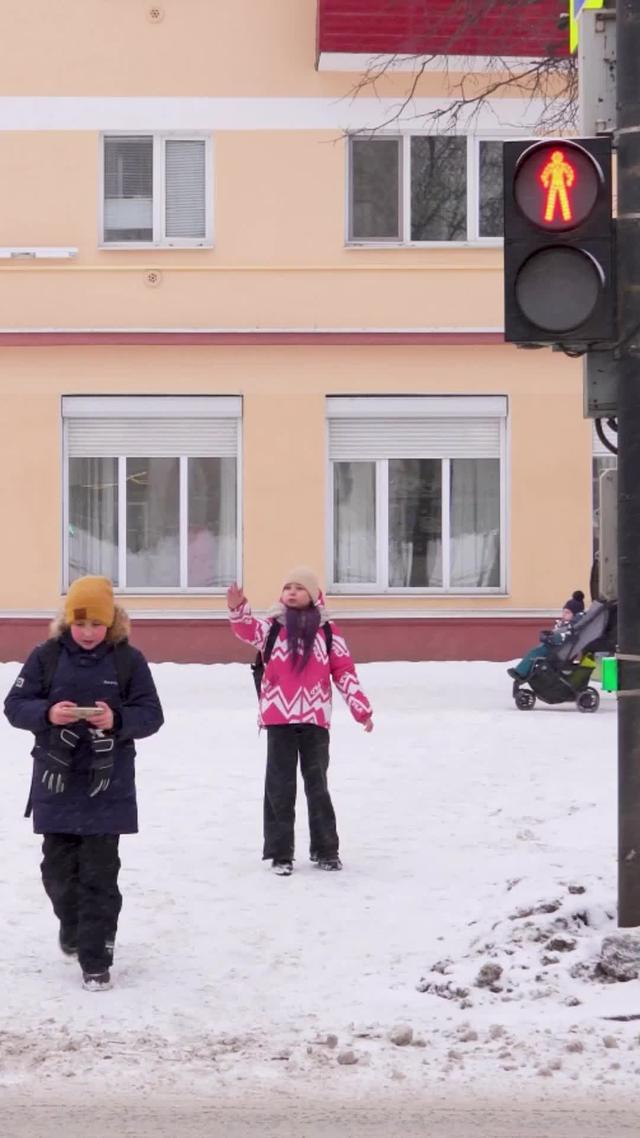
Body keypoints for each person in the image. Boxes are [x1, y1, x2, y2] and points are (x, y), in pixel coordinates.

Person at [4, 575, 164, 992]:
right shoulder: (46, 657)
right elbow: (14, 705)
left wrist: (117, 720)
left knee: (100, 875)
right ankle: (72, 928)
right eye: (80, 624)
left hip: (106, 785)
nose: (89, 632)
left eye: (96, 624)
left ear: (110, 623)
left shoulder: (129, 661)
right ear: (66, 622)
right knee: (56, 873)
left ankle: (97, 960)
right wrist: (48, 713)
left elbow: (151, 714)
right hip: (55, 783)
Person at [227, 567, 373, 876]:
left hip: (315, 720)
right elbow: (244, 629)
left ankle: (326, 850)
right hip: (279, 719)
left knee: (317, 785)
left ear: (313, 595)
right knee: (279, 787)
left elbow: (344, 671)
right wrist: (237, 608)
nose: (291, 593)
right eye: (287, 587)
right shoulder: (271, 627)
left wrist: (361, 709)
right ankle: (281, 853)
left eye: (299, 588)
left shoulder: (329, 631)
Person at [507, 590, 586, 681]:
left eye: (567, 612)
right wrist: (549, 635)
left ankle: (521, 673)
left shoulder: (572, 626)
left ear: (575, 615)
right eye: (563, 611)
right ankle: (525, 673)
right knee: (535, 652)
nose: (564, 614)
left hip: (558, 651)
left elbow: (566, 636)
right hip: (555, 648)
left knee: (535, 653)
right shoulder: (565, 624)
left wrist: (551, 638)